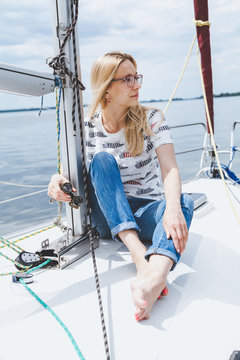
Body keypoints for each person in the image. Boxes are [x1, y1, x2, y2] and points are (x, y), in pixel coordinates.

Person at [48, 51, 194, 322]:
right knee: (102, 161)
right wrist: (57, 180)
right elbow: (67, 173)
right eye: (127, 79)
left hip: (147, 210)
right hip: (108, 216)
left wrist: (171, 208)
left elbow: (170, 168)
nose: (137, 84)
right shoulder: (85, 127)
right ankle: (140, 257)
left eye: (136, 77)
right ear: (107, 89)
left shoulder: (152, 119)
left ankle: (155, 277)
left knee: (183, 203)